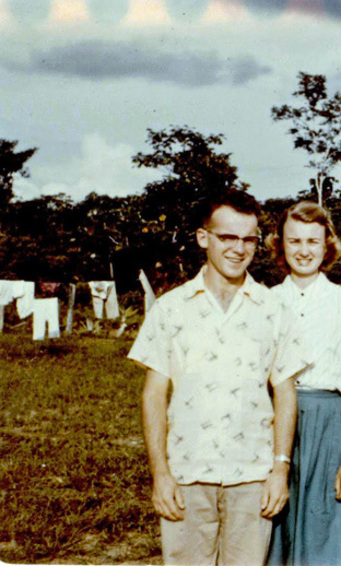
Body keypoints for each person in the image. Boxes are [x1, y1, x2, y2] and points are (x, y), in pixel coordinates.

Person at [129, 189, 307, 565]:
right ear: (203, 237)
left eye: (248, 239)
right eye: (227, 237)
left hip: (252, 475)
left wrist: (279, 469)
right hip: (186, 473)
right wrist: (160, 473)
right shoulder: (170, 309)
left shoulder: (274, 309)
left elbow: (286, 393)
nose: (238, 249)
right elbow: (153, 396)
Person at [265, 202, 341, 566]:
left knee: (323, 524)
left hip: (328, 420)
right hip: (271, 420)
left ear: (327, 244)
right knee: (272, 526)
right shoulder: (265, 301)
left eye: (313, 241)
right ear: (279, 245)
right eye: (294, 241)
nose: (303, 250)